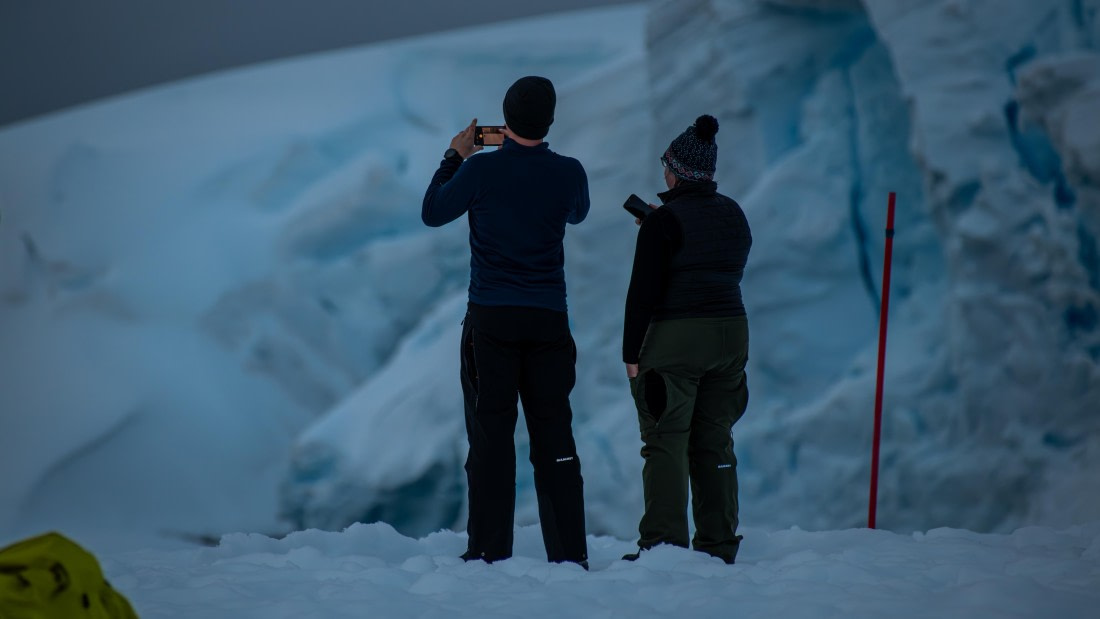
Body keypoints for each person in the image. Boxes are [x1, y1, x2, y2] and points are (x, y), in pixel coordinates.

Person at [421, 76, 590, 568]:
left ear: (504, 119)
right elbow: (577, 214)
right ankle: (569, 555)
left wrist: (457, 157)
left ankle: (489, 553)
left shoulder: (479, 173)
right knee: (555, 436)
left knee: (491, 438)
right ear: (551, 119)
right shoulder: (570, 173)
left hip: (491, 322)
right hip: (547, 322)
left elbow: (433, 212)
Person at [622, 114, 752, 564]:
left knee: (664, 440)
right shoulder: (734, 213)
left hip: (677, 340)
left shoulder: (664, 223)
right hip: (731, 336)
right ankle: (719, 544)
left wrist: (631, 354)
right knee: (715, 439)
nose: (664, 171)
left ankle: (663, 549)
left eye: (666, 164)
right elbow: (717, 263)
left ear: (676, 170)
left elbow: (642, 294)